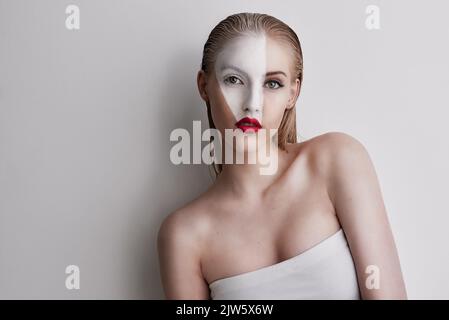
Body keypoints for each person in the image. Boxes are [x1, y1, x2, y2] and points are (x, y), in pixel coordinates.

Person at [158, 12, 407, 300]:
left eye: (272, 83)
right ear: (204, 86)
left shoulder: (337, 160)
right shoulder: (183, 235)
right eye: (234, 80)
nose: (252, 104)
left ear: (293, 93)